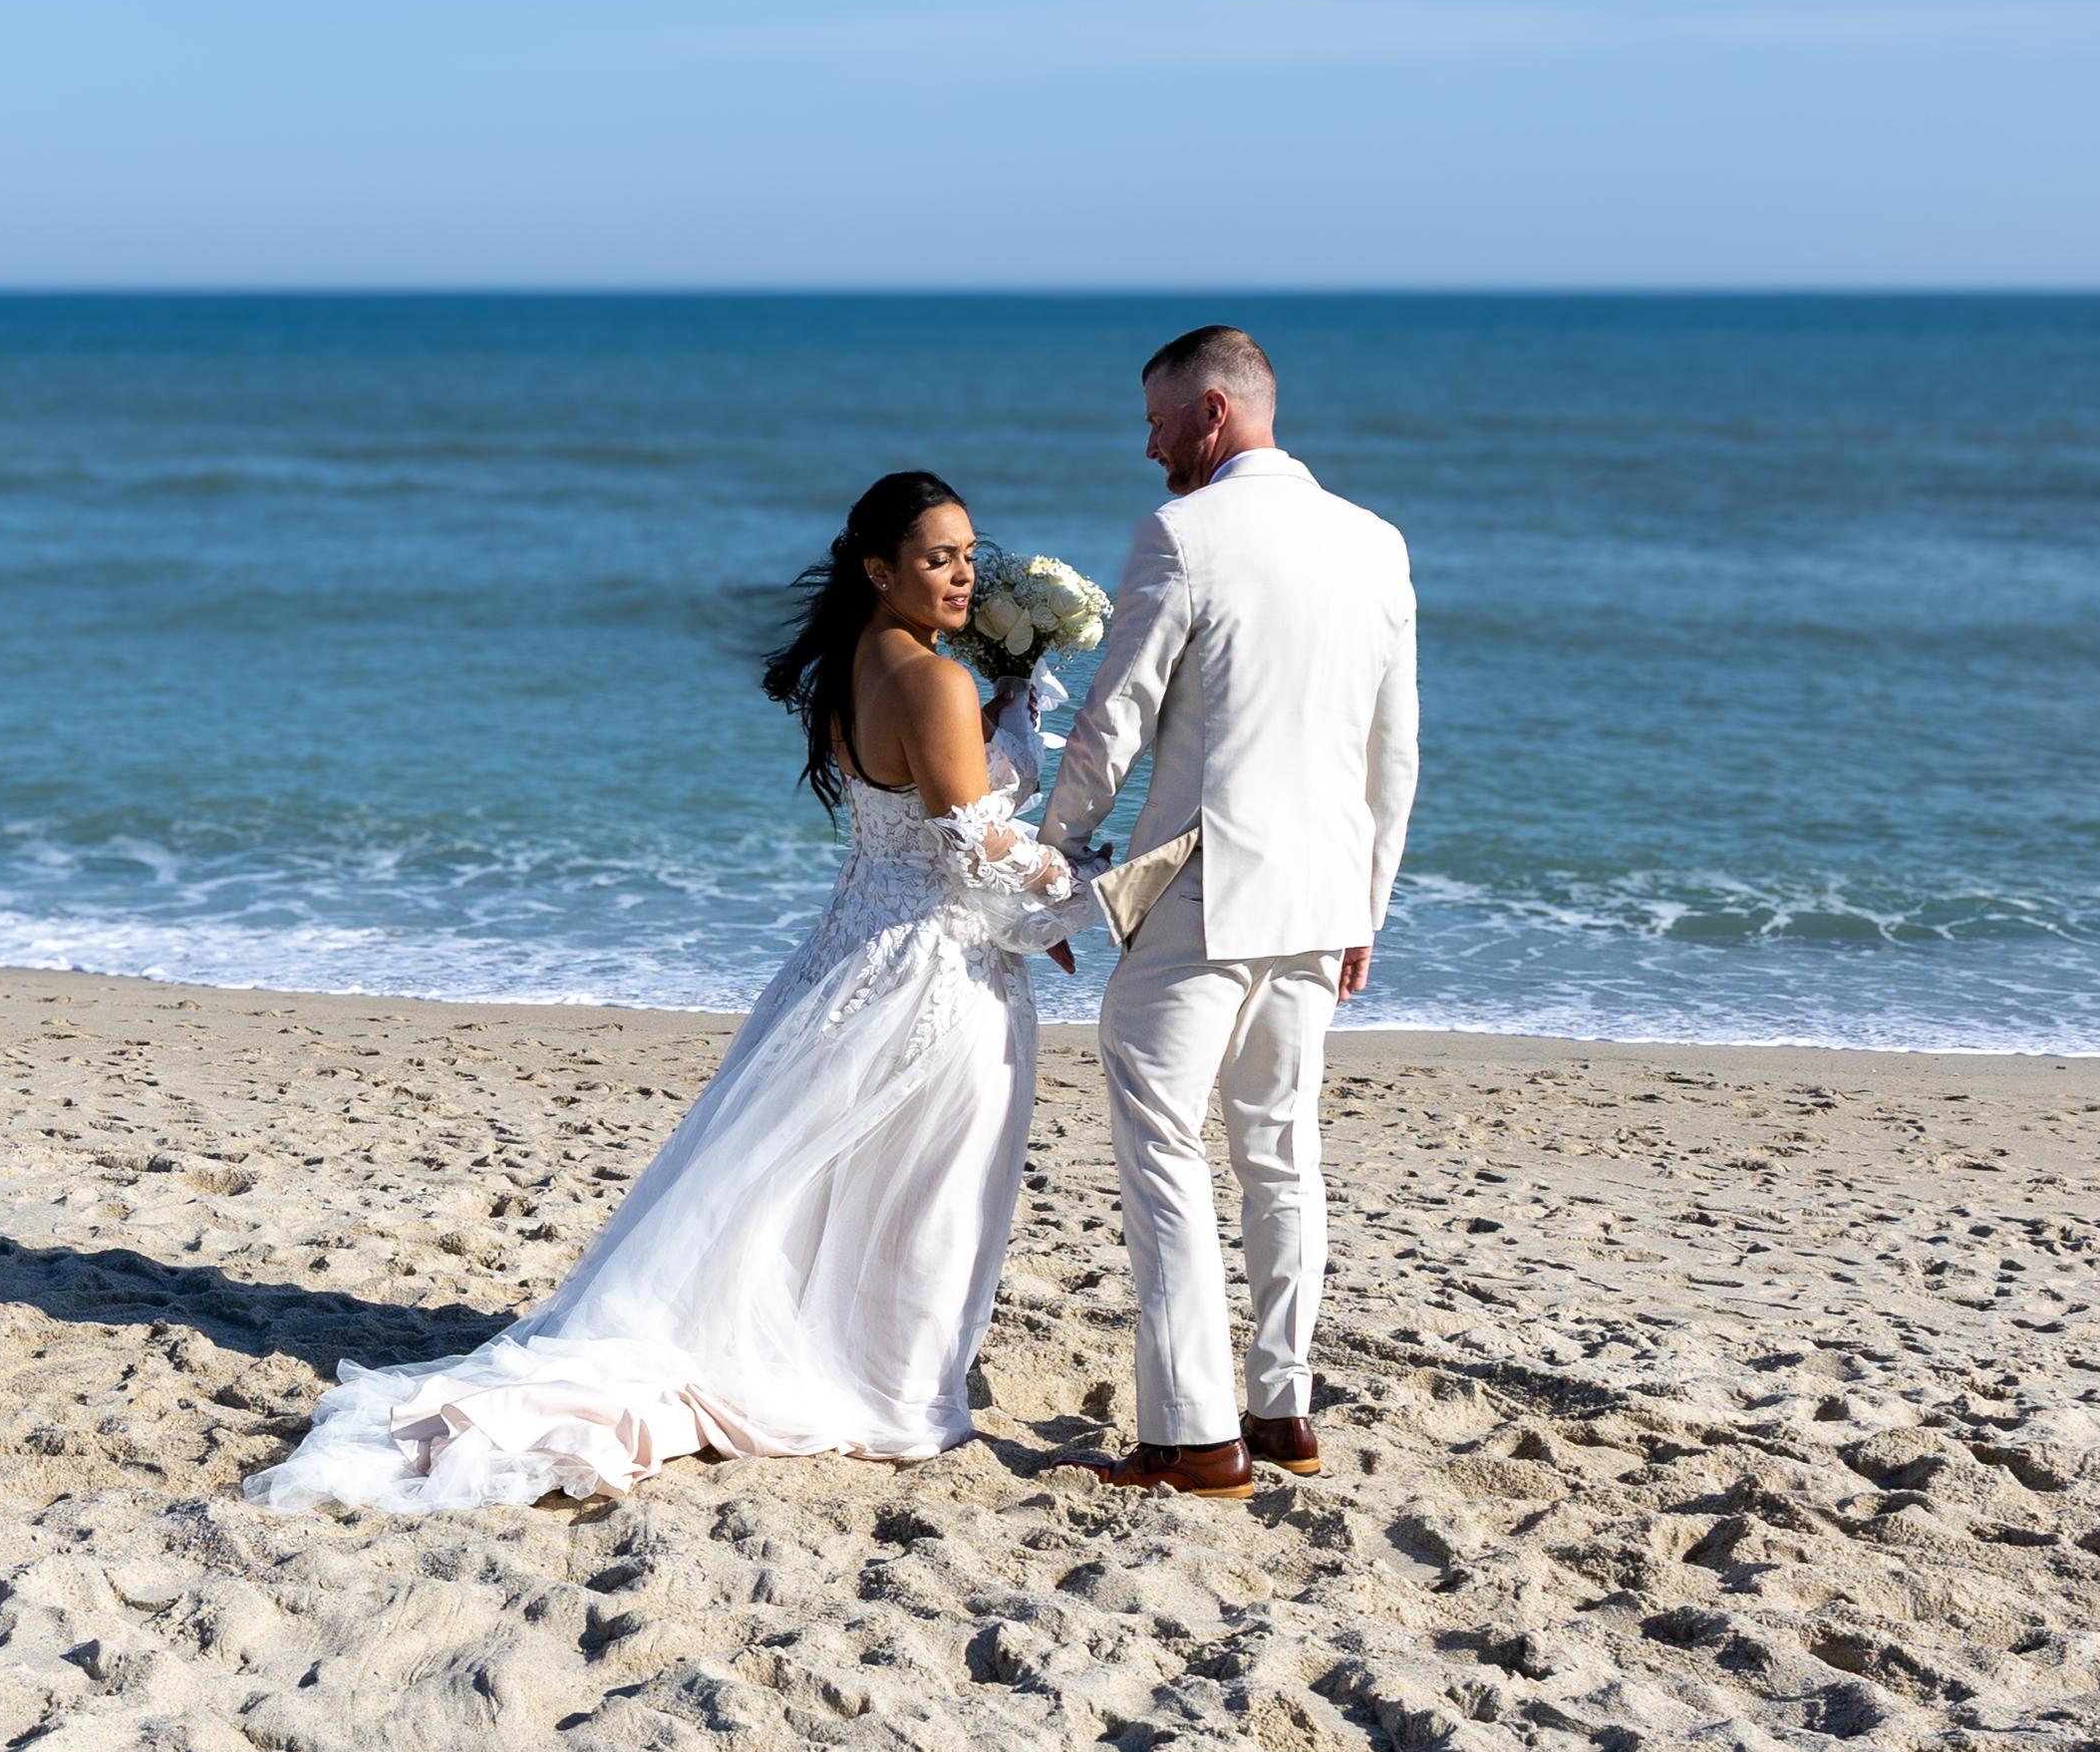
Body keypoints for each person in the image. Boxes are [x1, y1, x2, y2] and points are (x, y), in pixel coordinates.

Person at [251, 471, 1080, 1514]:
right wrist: (1078, 889)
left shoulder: (858, 665)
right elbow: (975, 846)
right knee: (925, 1186)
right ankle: (895, 1390)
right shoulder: (933, 681)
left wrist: (1009, 706)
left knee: (821, 1179)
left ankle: (842, 1355)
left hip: (848, 954)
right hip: (930, 973)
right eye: (936, 558)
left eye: (968, 554)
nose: (961, 574)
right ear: (880, 570)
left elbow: (926, 807)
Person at [1036, 327, 1421, 1501]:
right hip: (1320, 897)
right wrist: (1367, 908)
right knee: (1279, 1153)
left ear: (1211, 413)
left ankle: (1192, 1437)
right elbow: (1393, 750)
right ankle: (1281, 1409)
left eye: (1159, 423)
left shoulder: (1185, 536)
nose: (1148, 447)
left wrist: (1053, 862)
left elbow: (1114, 718)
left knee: (1162, 1144)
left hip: (1205, 892)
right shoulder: (1375, 540)